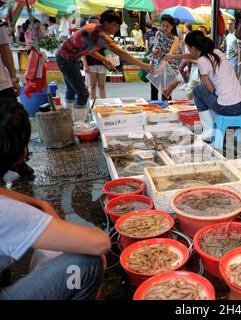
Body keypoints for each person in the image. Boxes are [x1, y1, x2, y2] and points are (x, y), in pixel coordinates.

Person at [0, 99, 111, 299]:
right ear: (20, 151)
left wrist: (44, 207)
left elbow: (39, 205)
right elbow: (100, 242)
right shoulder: (6, 211)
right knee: (87, 263)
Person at [56, 10, 152, 122]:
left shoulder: (94, 28)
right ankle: (79, 124)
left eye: (118, 26)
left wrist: (104, 59)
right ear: (106, 23)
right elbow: (121, 53)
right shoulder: (100, 34)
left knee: (72, 90)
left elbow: (88, 49)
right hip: (67, 59)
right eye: (115, 25)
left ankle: (67, 120)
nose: (116, 29)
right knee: (83, 93)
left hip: (66, 57)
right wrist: (143, 65)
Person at [166, 30, 241, 141]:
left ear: (194, 48)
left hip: (229, 108)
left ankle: (209, 130)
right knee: (210, 95)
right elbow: (193, 55)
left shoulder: (202, 61)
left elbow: (210, 88)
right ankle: (215, 127)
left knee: (198, 90)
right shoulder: (217, 52)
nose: (188, 51)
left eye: (189, 48)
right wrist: (173, 57)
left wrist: (207, 82)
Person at [0, 19, 34, 177]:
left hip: (1, 83)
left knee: (13, 123)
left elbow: (4, 47)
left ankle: (19, 161)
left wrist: (13, 77)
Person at [147, 14, 180, 101]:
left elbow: (171, 54)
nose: (164, 28)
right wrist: (155, 51)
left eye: (167, 26)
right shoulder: (158, 33)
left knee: (165, 92)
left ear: (172, 26)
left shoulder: (175, 38)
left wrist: (164, 64)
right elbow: (156, 46)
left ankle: (167, 110)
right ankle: (153, 109)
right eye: (163, 25)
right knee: (153, 90)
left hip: (168, 65)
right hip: (156, 63)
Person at [81, 16, 107, 99]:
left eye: (97, 23)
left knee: (102, 86)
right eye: (94, 23)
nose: (96, 25)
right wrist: (85, 65)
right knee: (92, 86)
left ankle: (104, 105)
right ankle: (92, 106)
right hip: (90, 64)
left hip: (102, 63)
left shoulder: (103, 35)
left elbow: (108, 49)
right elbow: (83, 52)